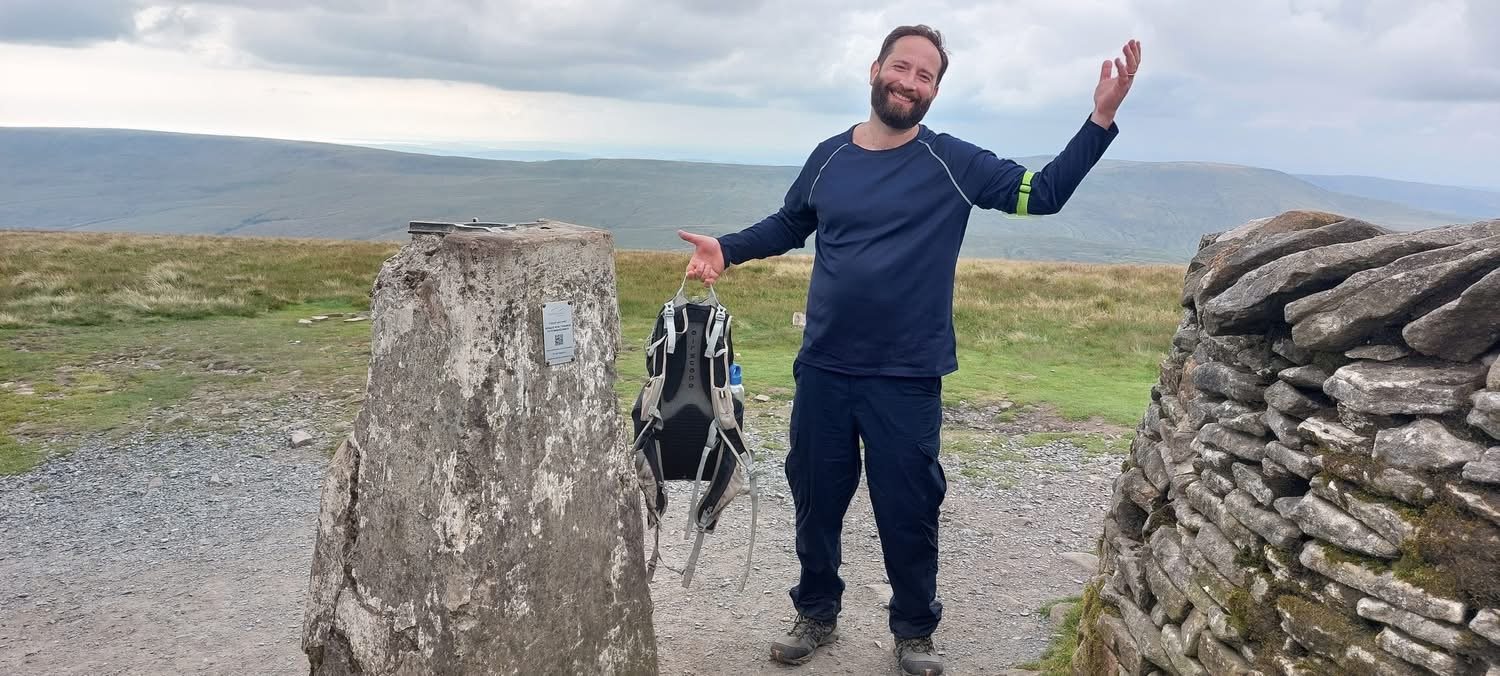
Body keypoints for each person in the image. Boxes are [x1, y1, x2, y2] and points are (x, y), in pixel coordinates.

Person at [678, 25, 1140, 676]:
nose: (910, 82)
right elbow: (790, 223)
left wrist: (1100, 119)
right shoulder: (829, 157)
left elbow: (1043, 193)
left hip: (907, 375)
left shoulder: (952, 162)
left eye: (925, 76)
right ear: (876, 70)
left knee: (909, 509)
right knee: (814, 499)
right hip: (824, 367)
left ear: (935, 92)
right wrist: (727, 248)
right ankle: (816, 613)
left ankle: (915, 631)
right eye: (902, 68)